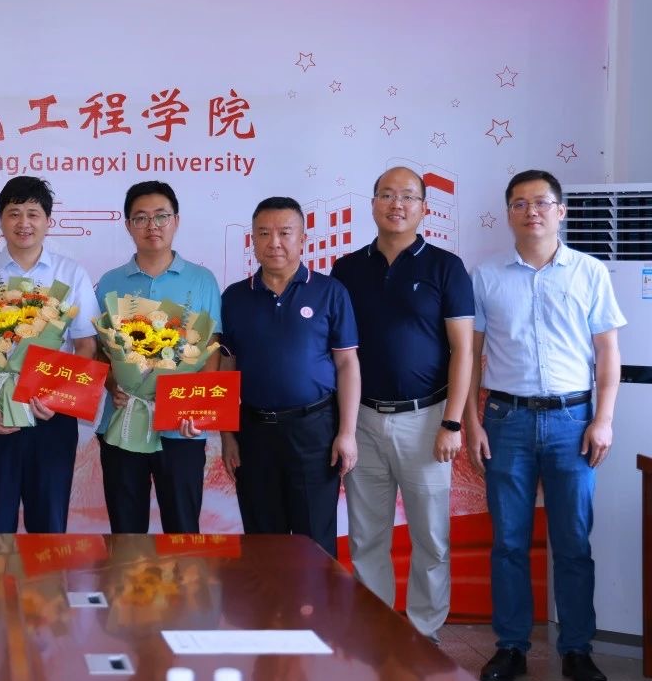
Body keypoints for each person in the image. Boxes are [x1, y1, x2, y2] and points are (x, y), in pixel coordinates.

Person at [465, 170, 624, 681]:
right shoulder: (485, 275)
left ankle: (577, 649)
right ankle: (511, 645)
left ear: (561, 211)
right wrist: (471, 421)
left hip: (572, 422)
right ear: (508, 212)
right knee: (509, 541)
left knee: (573, 541)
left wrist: (603, 419)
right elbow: (469, 355)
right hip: (505, 421)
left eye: (541, 202)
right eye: (519, 203)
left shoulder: (590, 272)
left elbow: (607, 353)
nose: (531, 211)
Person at [332, 166, 474, 643]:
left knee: (430, 536)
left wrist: (452, 422)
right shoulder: (347, 268)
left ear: (424, 209)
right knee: (366, 534)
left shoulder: (446, 267)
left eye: (408, 196)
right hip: (362, 419)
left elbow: (463, 350)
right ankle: (375, 629)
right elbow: (338, 352)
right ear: (372, 204)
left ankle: (424, 632)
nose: (397, 204)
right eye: (387, 195)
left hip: (427, 419)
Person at [0, 176, 100, 533]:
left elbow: (86, 346)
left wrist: (59, 397)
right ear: (1, 220)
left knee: (49, 528)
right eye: (14, 213)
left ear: (48, 221)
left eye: (33, 213)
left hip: (51, 419)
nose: (23, 223)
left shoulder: (71, 274)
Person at [219, 196, 359, 556]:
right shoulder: (234, 297)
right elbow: (226, 367)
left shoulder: (330, 292)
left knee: (315, 543)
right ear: (253, 240)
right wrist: (227, 436)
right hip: (254, 433)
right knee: (264, 543)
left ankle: (318, 597)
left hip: (315, 431)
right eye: (264, 233)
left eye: (284, 232)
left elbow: (347, 364)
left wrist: (346, 433)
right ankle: (268, 598)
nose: (274, 242)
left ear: (303, 239)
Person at [94, 180, 221, 533]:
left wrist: (196, 406)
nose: (152, 226)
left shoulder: (202, 280)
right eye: (141, 218)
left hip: (180, 428)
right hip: (122, 422)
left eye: (161, 216)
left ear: (176, 220)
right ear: (128, 225)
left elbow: (212, 349)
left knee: (182, 531)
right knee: (126, 532)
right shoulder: (109, 282)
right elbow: (100, 350)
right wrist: (112, 384)